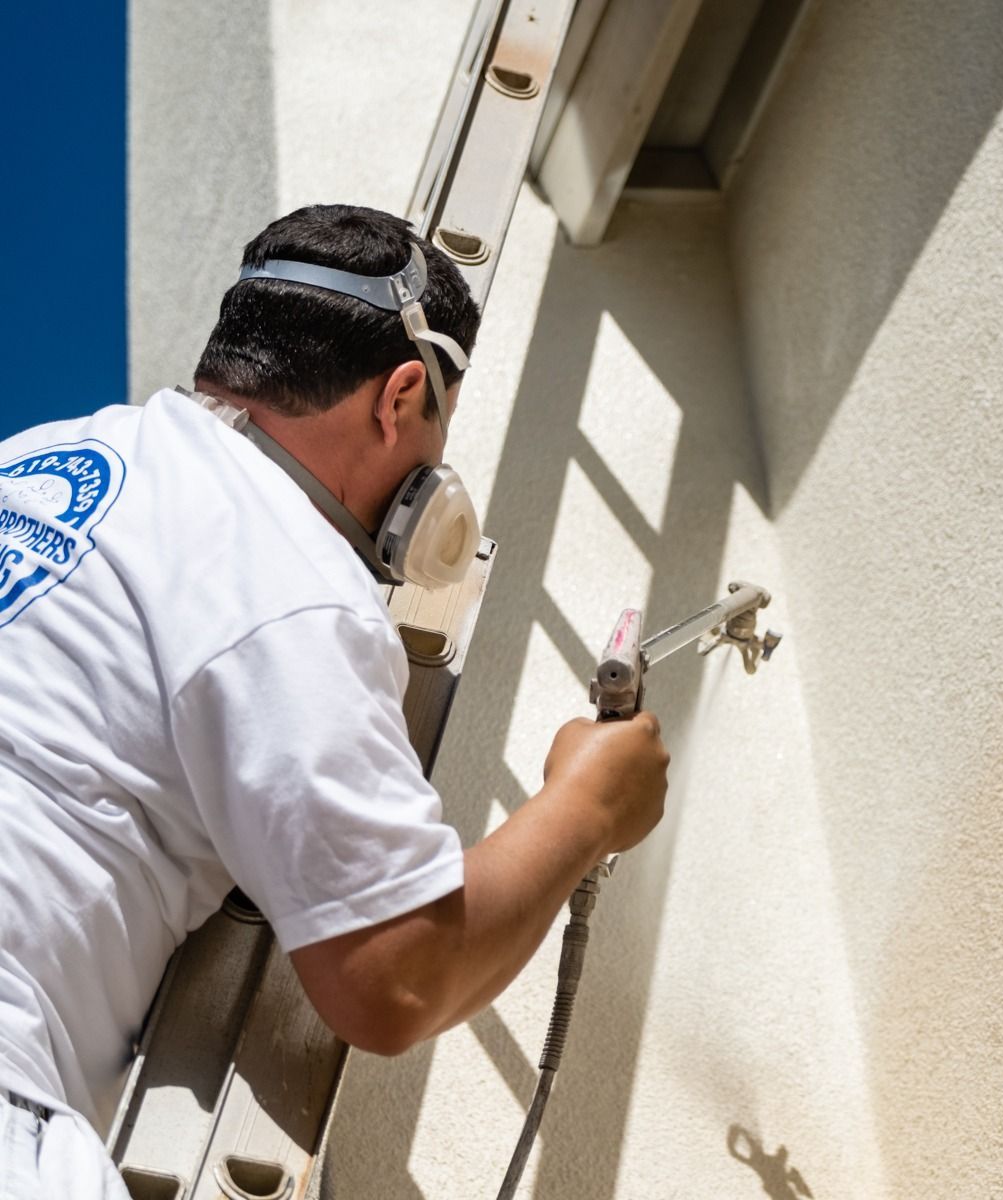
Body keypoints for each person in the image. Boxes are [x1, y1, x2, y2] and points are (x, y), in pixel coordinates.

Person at [0, 204, 669, 1195]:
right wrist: (586, 805)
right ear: (401, 396)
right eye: (439, 426)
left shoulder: (39, 458)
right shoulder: (289, 575)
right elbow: (392, 975)